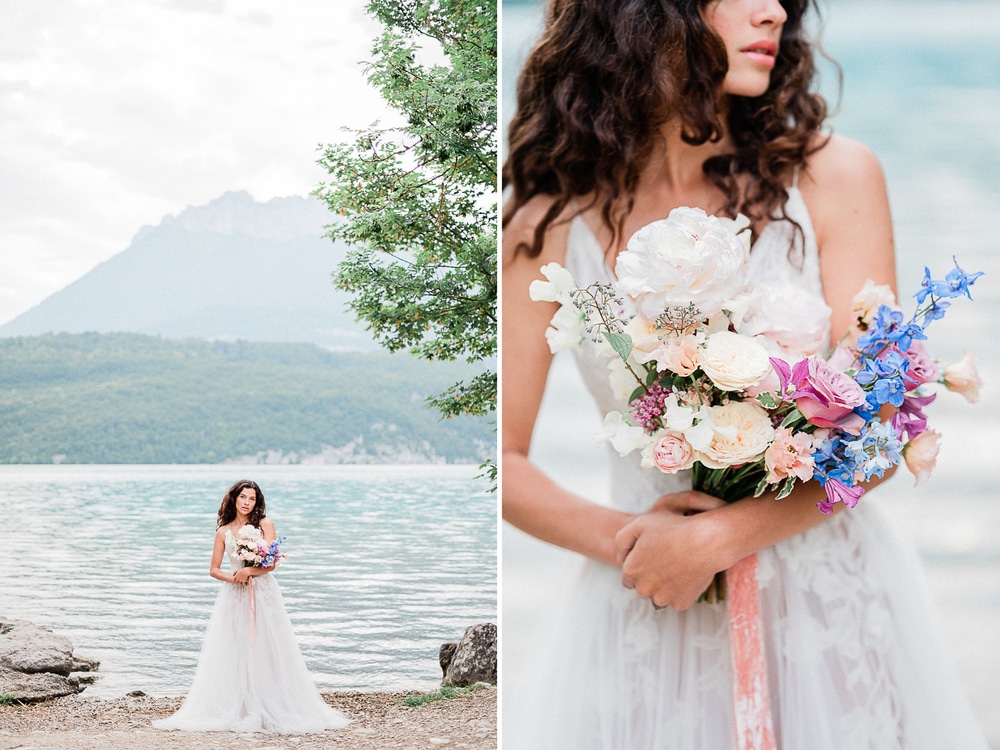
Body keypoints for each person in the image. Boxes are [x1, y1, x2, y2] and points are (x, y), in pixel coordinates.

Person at [501, 0, 988, 748]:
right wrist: (635, 546)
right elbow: (498, 459)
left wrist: (722, 537)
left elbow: (883, 424)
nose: (777, 9)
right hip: (648, 600)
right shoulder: (548, 221)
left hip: (822, 602)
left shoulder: (833, 176)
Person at [153, 479, 350, 734]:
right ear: (234, 498)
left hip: (265, 593)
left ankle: (272, 702)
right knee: (236, 645)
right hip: (235, 595)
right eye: (243, 497)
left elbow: (271, 564)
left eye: (252, 499)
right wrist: (236, 577)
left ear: (257, 502)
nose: (247, 502)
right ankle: (240, 704)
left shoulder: (265, 524)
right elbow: (213, 570)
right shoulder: (223, 531)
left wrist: (250, 569)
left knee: (269, 644)